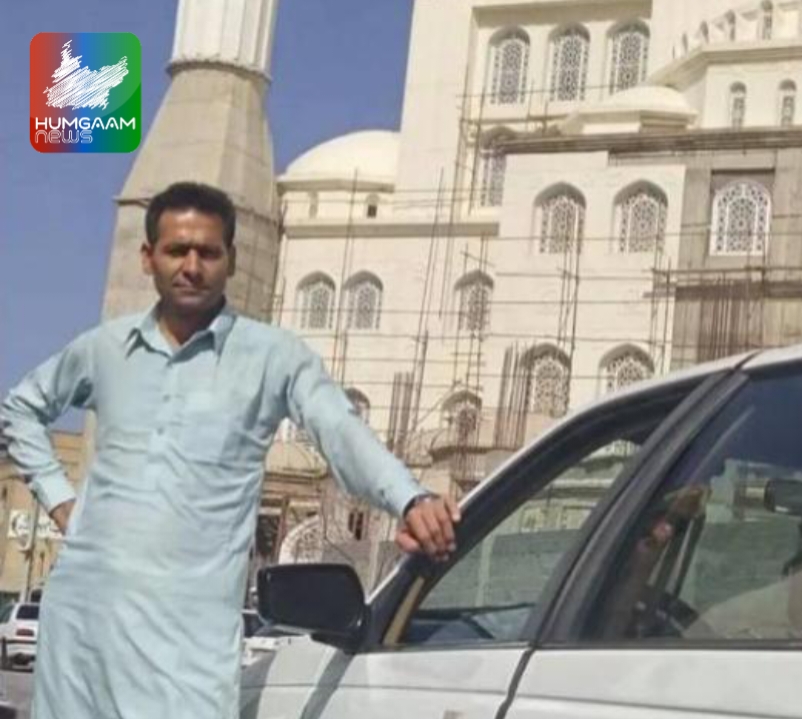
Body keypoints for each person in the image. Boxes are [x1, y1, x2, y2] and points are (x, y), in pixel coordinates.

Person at [0, 181, 461, 719]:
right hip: (82, 624)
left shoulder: (272, 357)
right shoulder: (106, 348)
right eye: (177, 250)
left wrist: (408, 498)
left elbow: (340, 430)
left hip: (186, 645)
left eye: (208, 252)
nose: (192, 266)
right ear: (148, 258)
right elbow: (20, 409)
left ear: (232, 260)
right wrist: (62, 503)